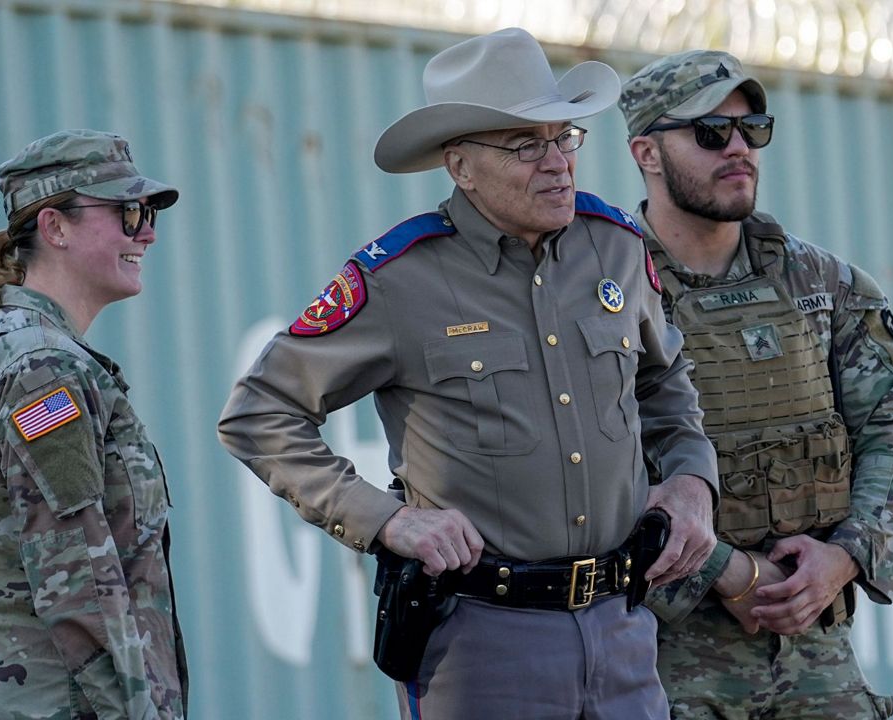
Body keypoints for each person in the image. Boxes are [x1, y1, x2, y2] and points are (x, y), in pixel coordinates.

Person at [218, 27, 720, 720]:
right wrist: (387, 522)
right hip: (482, 644)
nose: (556, 163)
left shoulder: (617, 248)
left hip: (623, 631)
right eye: (524, 145)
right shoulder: (399, 279)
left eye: (563, 137)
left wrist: (693, 480)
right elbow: (259, 414)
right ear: (460, 166)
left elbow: (663, 382)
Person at [617, 51, 893, 719]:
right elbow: (589, 473)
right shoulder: (606, 292)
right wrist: (727, 573)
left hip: (816, 643)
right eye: (709, 133)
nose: (738, 149)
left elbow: (889, 431)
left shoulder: (825, 284)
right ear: (646, 150)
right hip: (669, 655)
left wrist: (844, 557)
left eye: (752, 128)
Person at [0, 129, 187, 719]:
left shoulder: (40, 354)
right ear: (54, 227)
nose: (147, 231)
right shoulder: (41, 366)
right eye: (129, 212)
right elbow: (76, 574)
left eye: (148, 212)